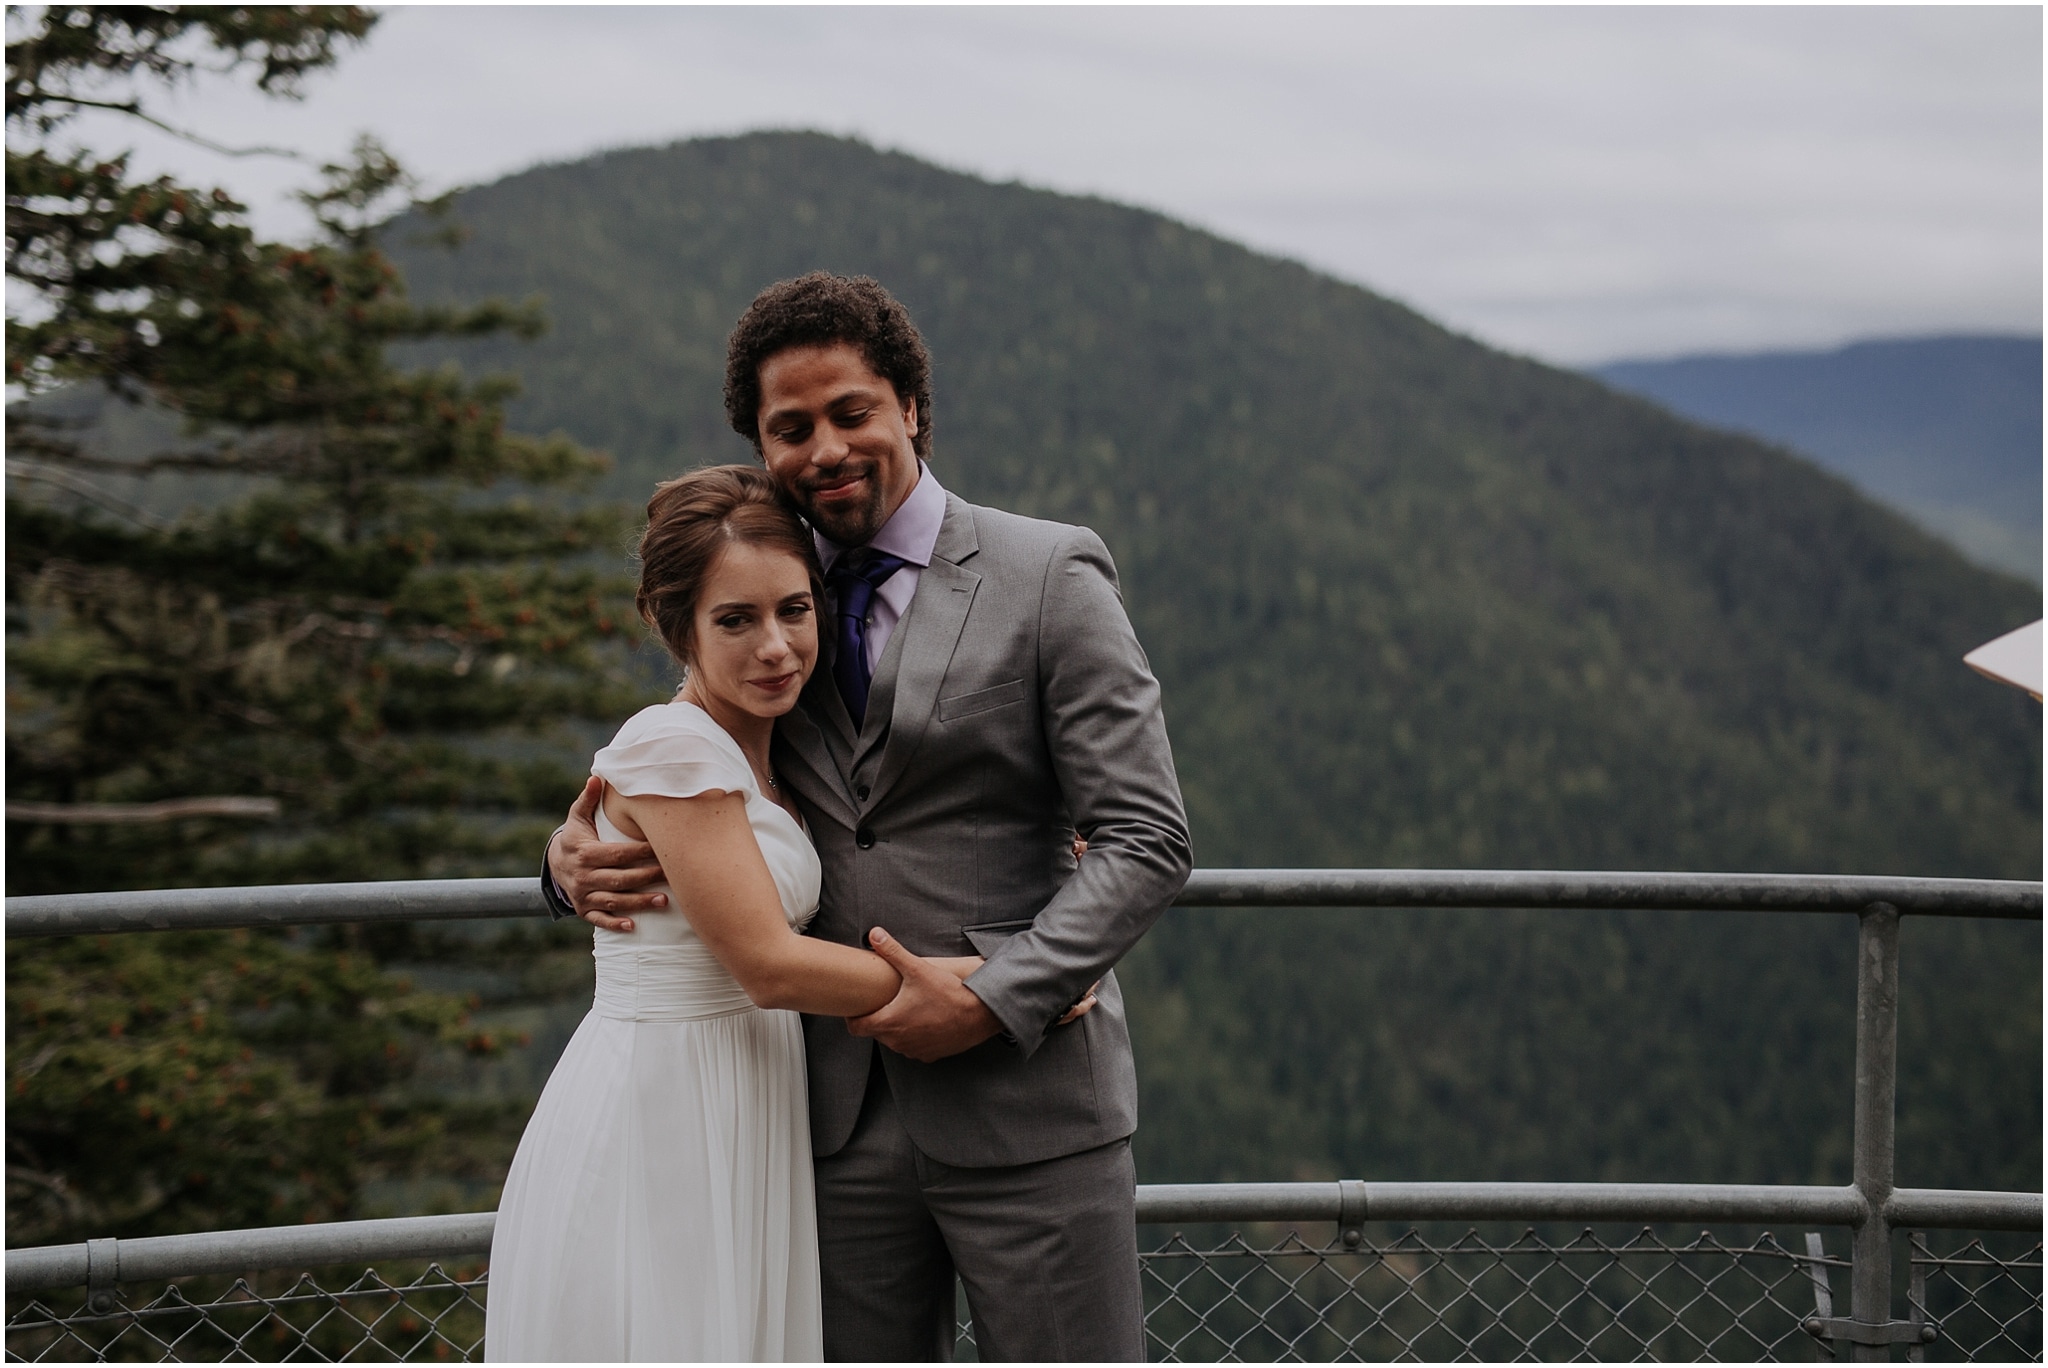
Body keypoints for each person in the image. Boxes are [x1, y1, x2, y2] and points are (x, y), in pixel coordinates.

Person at [545, 273, 1192, 1361]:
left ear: (910, 409)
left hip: (1027, 1108)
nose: (825, 448)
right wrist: (570, 857)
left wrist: (995, 997)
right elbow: (686, 765)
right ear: (761, 446)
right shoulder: (768, 595)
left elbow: (1145, 838)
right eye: (789, 429)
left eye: (851, 412)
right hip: (822, 1127)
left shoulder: (1047, 574)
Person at [488, 466, 1007, 1361]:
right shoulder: (673, 742)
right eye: (736, 620)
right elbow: (767, 965)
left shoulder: (782, 740)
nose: (776, 648)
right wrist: (988, 981)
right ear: (670, 623)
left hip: (753, 1097)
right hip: (668, 1103)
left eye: (794, 611)